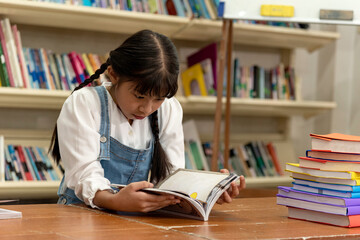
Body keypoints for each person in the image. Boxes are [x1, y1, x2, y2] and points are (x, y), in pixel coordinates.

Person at [50, 29, 245, 213]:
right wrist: (116, 201)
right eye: (139, 96)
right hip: (80, 215)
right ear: (114, 74)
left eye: (158, 99)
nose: (147, 108)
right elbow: (84, 173)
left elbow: (171, 179)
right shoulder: (85, 102)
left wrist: (205, 194)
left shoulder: (168, 108)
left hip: (135, 221)